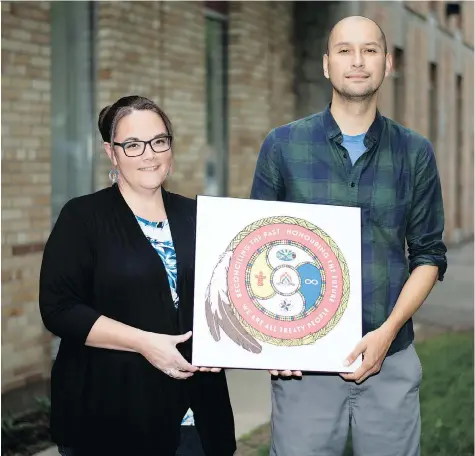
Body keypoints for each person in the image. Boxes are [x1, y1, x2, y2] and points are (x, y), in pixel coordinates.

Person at [250, 16, 447, 456]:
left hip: (390, 358)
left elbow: (428, 255)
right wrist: (272, 345)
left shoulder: (414, 152)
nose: (357, 61)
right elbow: (256, 251)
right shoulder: (282, 146)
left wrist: (387, 333)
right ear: (326, 64)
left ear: (387, 63)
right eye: (344, 50)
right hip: (304, 368)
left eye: (369, 50)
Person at [39, 95, 236, 456]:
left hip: (197, 415)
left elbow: (228, 298)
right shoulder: (83, 218)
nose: (149, 154)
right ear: (111, 153)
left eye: (159, 141)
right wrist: (145, 342)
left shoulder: (199, 216)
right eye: (132, 145)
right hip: (111, 416)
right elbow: (59, 308)